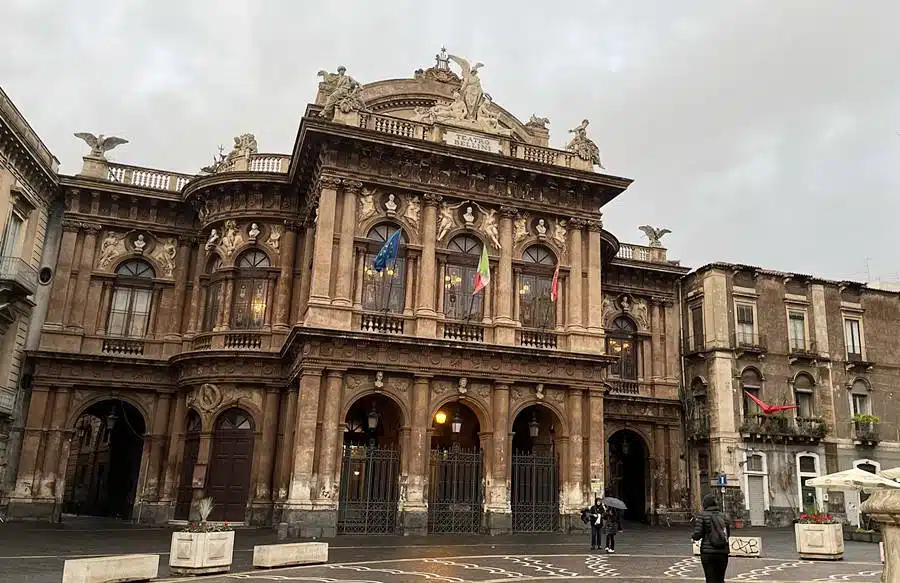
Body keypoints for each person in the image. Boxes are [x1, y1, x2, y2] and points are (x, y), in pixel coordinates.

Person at [692, 493, 730, 583]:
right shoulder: (724, 516)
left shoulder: (702, 515)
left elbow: (698, 534)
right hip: (722, 552)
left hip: (708, 553)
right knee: (720, 579)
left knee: (710, 579)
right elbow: (727, 534)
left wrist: (693, 537)